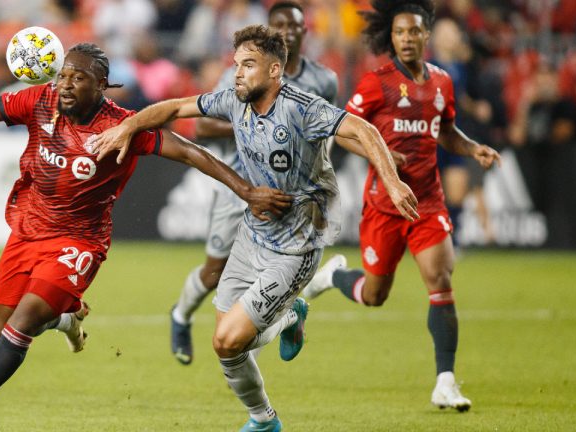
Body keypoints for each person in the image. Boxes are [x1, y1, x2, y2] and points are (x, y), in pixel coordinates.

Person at [0, 42, 291, 432]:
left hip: (79, 242)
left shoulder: (122, 126)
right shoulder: (40, 101)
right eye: (63, 76)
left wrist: (247, 191)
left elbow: (187, 150)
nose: (66, 85)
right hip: (27, 232)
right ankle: (65, 319)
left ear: (101, 85)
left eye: (78, 78)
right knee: (2, 327)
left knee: (19, 327)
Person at [91, 24, 418, 431]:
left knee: (229, 340)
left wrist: (392, 179)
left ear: (275, 70)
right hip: (253, 233)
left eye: (248, 65)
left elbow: (364, 130)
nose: (238, 73)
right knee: (227, 346)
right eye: (236, 64)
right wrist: (128, 126)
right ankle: (266, 408)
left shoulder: (302, 107)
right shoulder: (233, 101)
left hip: (297, 244)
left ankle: (267, 409)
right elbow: (175, 108)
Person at [301, 0, 501, 412]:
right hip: (385, 204)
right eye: (399, 33)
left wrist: (472, 148)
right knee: (374, 295)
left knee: (439, 277)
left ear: (426, 34)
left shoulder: (443, 82)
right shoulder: (377, 83)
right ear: (390, 38)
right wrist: (381, 156)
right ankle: (333, 277)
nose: (407, 39)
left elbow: (444, 131)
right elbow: (342, 133)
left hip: (427, 200)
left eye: (413, 32)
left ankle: (445, 381)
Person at [169, 0, 341, 366]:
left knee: (260, 296)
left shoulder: (322, 80)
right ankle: (181, 315)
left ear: (303, 32)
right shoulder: (245, 71)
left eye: (293, 26)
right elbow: (201, 124)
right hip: (239, 183)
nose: (286, 31)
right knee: (214, 270)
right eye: (278, 25)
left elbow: (328, 132)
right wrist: (258, 117)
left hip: (288, 193)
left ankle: (281, 316)